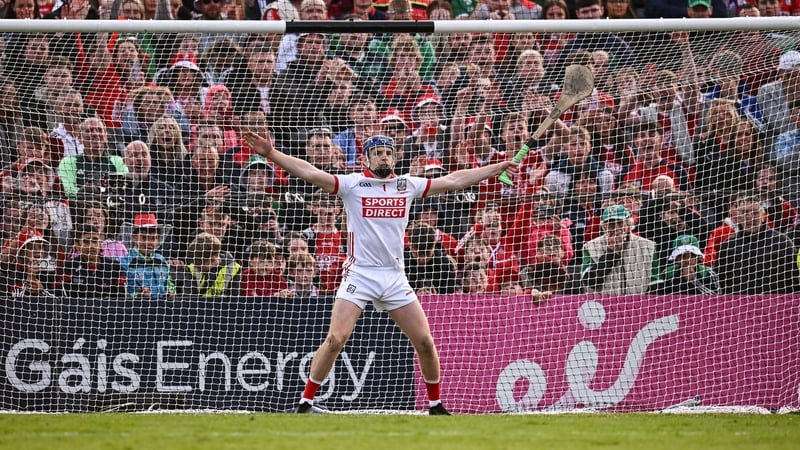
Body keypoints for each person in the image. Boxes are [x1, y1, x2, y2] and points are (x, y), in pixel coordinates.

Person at [244, 127, 518, 415]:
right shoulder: (352, 184)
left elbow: (452, 180)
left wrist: (495, 168)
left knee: (424, 342)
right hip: (359, 275)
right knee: (336, 339)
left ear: (395, 158)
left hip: (394, 278)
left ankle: (436, 406)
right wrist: (272, 153)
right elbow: (311, 173)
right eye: (377, 153)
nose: (383, 158)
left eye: (388, 153)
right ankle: (306, 403)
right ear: (366, 159)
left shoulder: (406, 185)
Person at [715, 195, 800, 294]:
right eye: (745, 212)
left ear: (763, 215)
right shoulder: (728, 246)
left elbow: (794, 281)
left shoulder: (782, 242)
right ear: (738, 216)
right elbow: (720, 283)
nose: (750, 217)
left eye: (755, 213)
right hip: (738, 306)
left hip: (774, 306)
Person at [580, 205, 660, 294]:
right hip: (605, 304)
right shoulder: (591, 247)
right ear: (604, 227)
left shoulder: (647, 246)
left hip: (638, 304)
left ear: (628, 224)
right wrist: (610, 253)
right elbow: (589, 282)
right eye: (611, 224)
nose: (616, 228)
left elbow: (656, 282)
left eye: (620, 223)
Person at [118, 212, 175, 299]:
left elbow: (169, 283)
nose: (149, 243)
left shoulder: (161, 260)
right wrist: (138, 296)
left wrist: (171, 292)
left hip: (163, 309)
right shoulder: (123, 262)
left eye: (153, 238)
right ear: (134, 237)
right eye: (144, 238)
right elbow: (122, 293)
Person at [651, 234, 720, 295]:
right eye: (682, 256)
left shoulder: (708, 272)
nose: (687, 260)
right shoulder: (667, 273)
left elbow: (717, 296)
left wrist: (694, 281)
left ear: (698, 257)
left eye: (691, 256)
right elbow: (660, 297)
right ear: (676, 259)